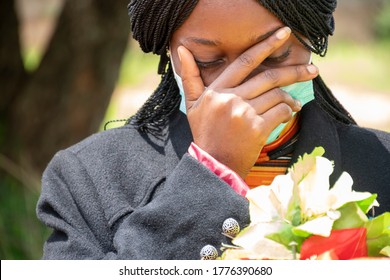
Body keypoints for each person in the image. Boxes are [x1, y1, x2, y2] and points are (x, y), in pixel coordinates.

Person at [37, 0, 390, 260]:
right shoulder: (84, 178)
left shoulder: (383, 165)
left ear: (311, 38)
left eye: (274, 56)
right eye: (209, 62)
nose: (242, 90)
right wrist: (214, 169)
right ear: (169, 52)